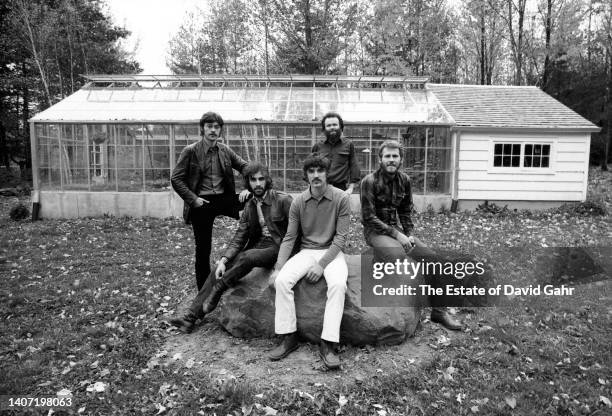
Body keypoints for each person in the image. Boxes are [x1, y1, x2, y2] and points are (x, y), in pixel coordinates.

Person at [169, 162, 293, 333]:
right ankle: (190, 317)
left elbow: (296, 232)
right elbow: (240, 237)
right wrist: (224, 259)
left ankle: (219, 289)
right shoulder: (250, 205)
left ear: (268, 180)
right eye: (253, 180)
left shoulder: (283, 200)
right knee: (218, 268)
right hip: (259, 246)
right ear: (247, 182)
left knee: (247, 257)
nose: (258, 184)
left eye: (261, 179)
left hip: (279, 246)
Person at [360, 140, 463, 331]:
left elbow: (405, 212)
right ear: (380, 159)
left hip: (397, 231)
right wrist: (397, 236)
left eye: (395, 156)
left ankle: (439, 312)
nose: (391, 160)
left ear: (401, 159)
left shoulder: (405, 181)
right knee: (397, 256)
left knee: (434, 260)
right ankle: (376, 257)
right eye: (387, 156)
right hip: (374, 231)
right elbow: (369, 217)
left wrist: (409, 235)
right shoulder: (369, 182)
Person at [268, 153, 351, 370]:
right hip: (306, 251)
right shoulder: (298, 201)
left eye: (320, 171)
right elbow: (289, 237)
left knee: (338, 284)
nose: (316, 175)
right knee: (282, 281)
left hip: (332, 253)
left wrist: (321, 265)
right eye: (311, 171)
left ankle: (328, 343)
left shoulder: (341, 198)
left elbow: (341, 238)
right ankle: (289, 336)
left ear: (327, 173)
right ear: (306, 176)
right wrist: (278, 268)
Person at [171, 111, 249, 291]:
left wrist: (247, 189)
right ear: (202, 129)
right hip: (202, 202)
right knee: (203, 249)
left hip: (224, 199)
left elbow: (246, 167)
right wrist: (193, 199)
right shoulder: (190, 151)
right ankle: (203, 292)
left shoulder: (225, 150)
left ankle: (250, 261)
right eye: (209, 126)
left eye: (217, 127)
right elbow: (176, 179)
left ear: (220, 130)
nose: (213, 130)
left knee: (253, 206)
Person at [311, 112, 361, 195]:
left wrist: (351, 188)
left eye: (335, 124)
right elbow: (310, 168)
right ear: (324, 129)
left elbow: (354, 165)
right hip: (321, 188)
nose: (332, 127)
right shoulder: (317, 146)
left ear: (341, 127)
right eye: (329, 125)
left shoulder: (348, 145)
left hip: (341, 189)